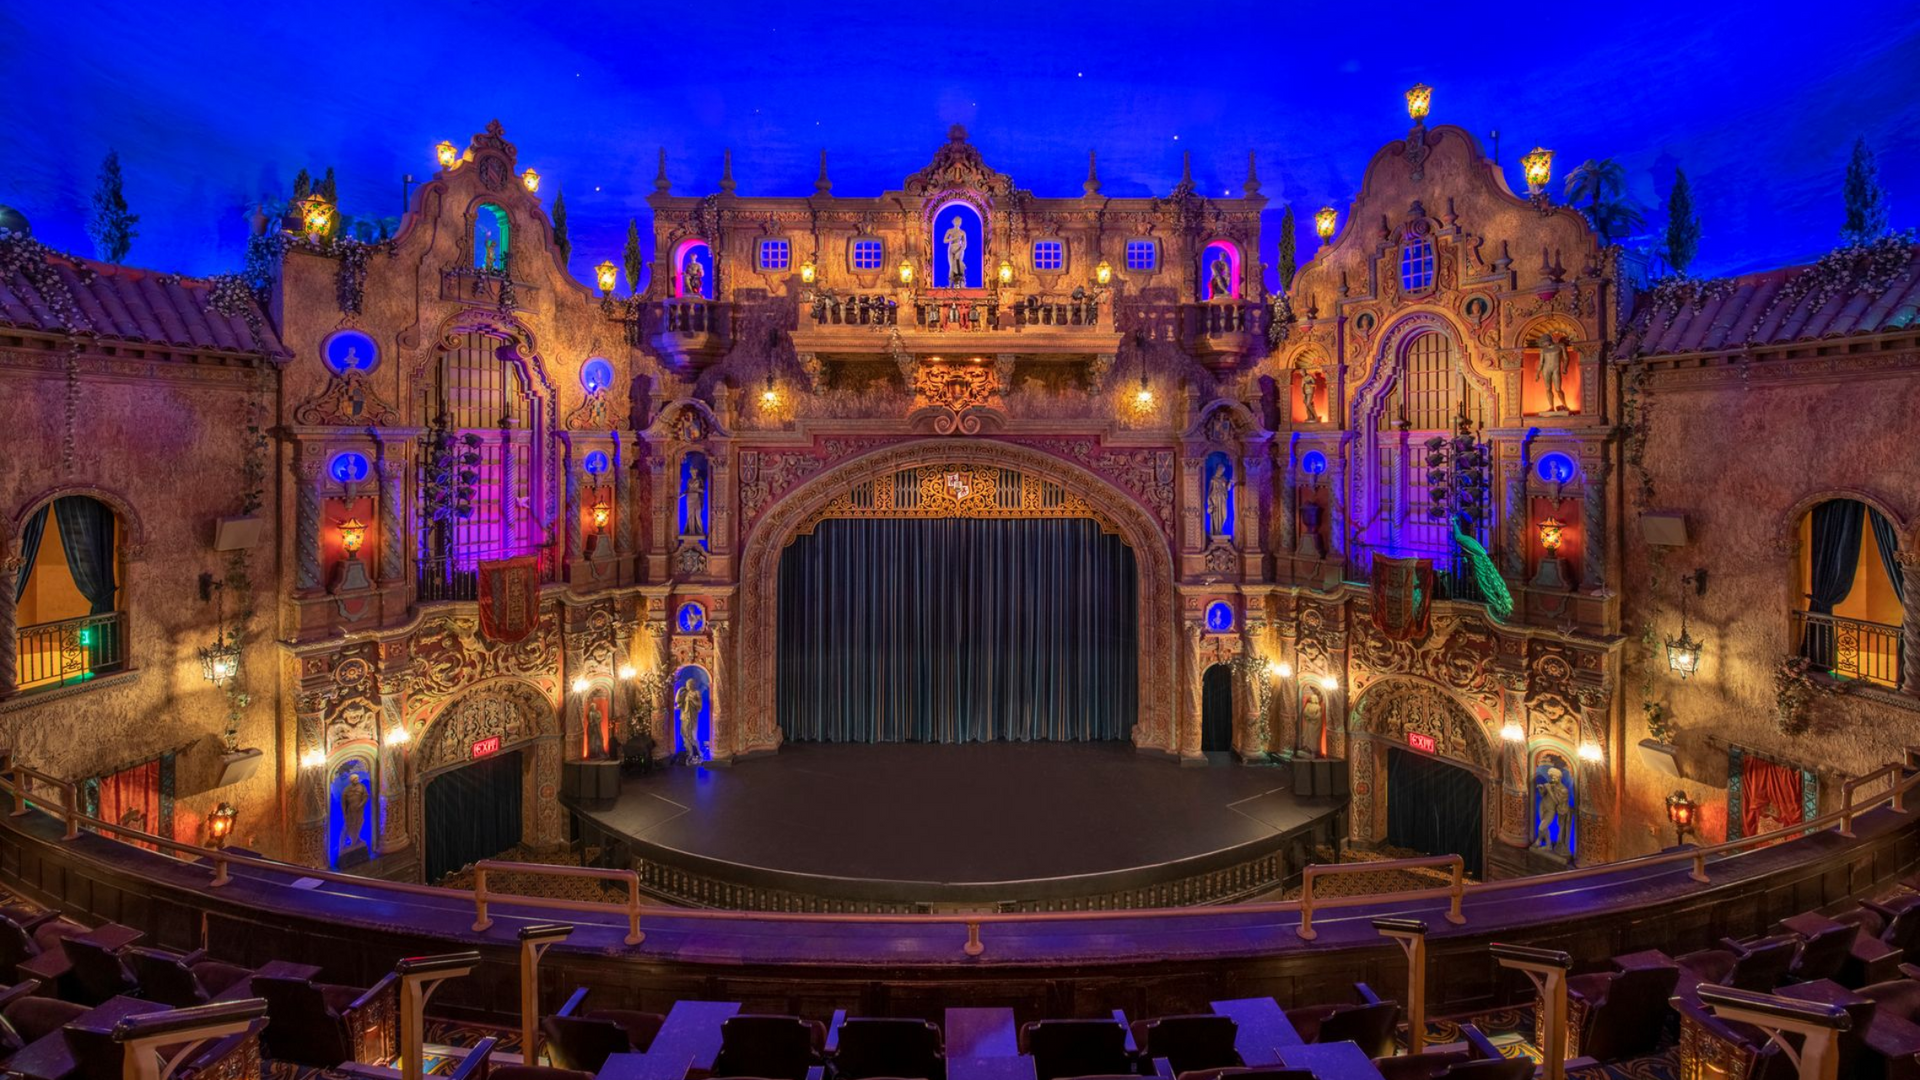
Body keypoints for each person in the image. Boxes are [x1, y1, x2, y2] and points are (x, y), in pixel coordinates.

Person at [943, 216, 968, 285]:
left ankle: (960, 283)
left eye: (959, 221)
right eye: (957, 221)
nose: (958, 223)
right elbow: (945, 240)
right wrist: (952, 239)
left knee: (958, 265)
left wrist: (960, 251)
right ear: (954, 222)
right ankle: (950, 284)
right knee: (951, 266)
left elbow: (965, 244)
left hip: (959, 248)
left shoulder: (962, 232)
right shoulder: (950, 231)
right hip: (951, 248)